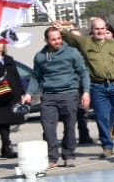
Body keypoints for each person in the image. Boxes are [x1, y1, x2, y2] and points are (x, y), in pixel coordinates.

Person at [62, 17, 114, 157]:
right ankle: (107, 146)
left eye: (102, 28)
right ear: (92, 30)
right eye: (97, 29)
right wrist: (60, 29)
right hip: (97, 87)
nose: (100, 31)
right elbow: (70, 38)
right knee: (102, 117)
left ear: (106, 29)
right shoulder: (86, 43)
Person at [34, 26, 91, 167]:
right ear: (46, 40)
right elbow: (35, 77)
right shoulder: (40, 56)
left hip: (69, 94)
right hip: (48, 96)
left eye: (59, 38)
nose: (57, 41)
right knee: (48, 129)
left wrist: (86, 92)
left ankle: (69, 155)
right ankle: (52, 157)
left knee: (70, 126)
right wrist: (29, 94)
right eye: (53, 39)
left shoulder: (72, 53)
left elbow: (83, 72)